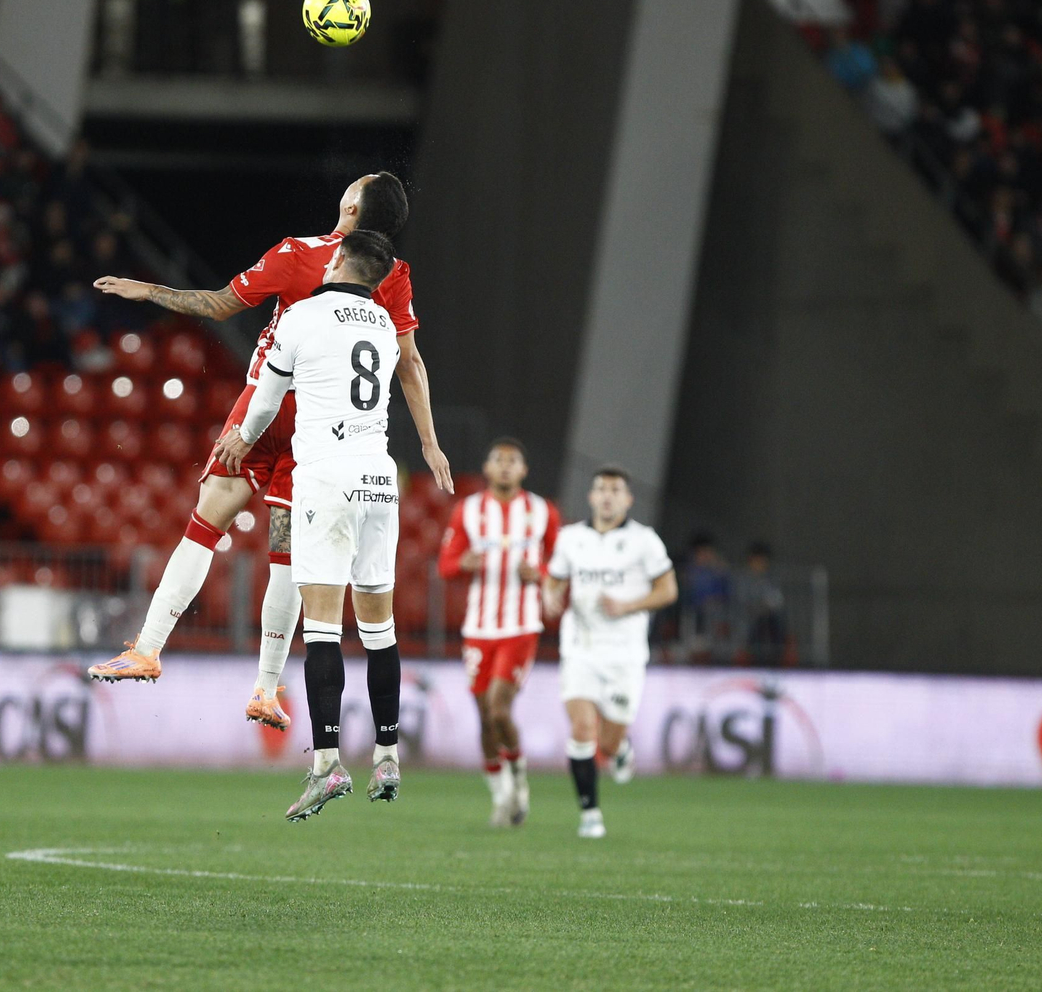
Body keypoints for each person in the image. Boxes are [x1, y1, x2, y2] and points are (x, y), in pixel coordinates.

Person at [86, 172, 453, 731]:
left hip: (268, 405)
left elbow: (218, 305)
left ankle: (149, 648)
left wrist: (151, 291)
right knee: (289, 551)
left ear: (351, 206)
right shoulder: (392, 275)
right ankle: (264, 689)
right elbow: (411, 363)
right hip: (326, 429)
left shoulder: (299, 252)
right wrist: (429, 442)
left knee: (205, 524)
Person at [212, 229, 405, 820]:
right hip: (381, 478)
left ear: (340, 260)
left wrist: (241, 440)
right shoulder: (383, 329)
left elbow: (266, 401)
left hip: (326, 477)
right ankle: (389, 753)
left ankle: (325, 766)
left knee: (322, 629)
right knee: (380, 629)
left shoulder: (301, 315)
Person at [543, 467, 677, 839]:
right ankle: (590, 814)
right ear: (590, 496)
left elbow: (668, 590)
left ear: (628, 500)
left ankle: (620, 749)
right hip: (581, 648)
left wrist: (629, 605)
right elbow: (553, 579)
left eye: (615, 489)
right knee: (583, 728)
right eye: (601, 488)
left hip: (625, 654)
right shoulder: (570, 538)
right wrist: (549, 596)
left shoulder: (644, 541)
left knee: (608, 740)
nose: (607, 495)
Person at [437, 438, 559, 828]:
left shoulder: (542, 512)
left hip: (521, 626)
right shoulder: (469, 511)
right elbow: (445, 565)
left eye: (513, 461)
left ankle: (519, 781)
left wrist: (539, 575)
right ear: (487, 469)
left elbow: (561, 569)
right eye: (498, 460)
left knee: (498, 708)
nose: (505, 466)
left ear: (523, 470)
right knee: (484, 718)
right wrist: (464, 562)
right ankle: (501, 796)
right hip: (479, 628)